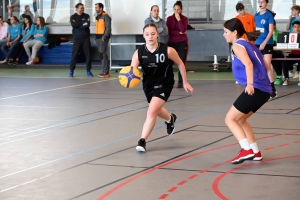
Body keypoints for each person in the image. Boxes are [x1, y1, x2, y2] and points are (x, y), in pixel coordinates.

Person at [133, 23, 194, 152]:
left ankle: (142, 141)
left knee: (151, 112)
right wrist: (129, 79)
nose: (150, 36)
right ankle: (170, 118)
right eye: (147, 34)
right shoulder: (139, 52)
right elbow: (132, 71)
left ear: (157, 35)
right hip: (148, 85)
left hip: (164, 83)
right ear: (143, 36)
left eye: (153, 34)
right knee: (156, 109)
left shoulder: (168, 50)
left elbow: (180, 64)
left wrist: (185, 82)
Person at [223, 18, 272, 164]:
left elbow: (249, 64)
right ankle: (256, 151)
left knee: (230, 119)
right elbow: (265, 64)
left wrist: (250, 83)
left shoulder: (237, 46)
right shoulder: (248, 44)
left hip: (255, 88)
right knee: (241, 119)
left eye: (226, 32)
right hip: (264, 90)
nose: (224, 35)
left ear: (235, 32)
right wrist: (271, 86)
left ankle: (246, 150)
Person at [254, 0, 277, 98]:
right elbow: (256, 29)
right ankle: (261, 86)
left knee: (267, 65)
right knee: (258, 65)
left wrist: (264, 43)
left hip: (267, 43)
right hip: (257, 43)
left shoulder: (269, 15)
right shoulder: (256, 15)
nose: (260, 3)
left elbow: (271, 31)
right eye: (259, 1)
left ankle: (272, 88)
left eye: (262, 1)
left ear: (266, 3)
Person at [166, 1, 188, 88]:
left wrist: (179, 20)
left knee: (181, 61)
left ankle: (181, 81)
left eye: (178, 9)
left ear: (181, 10)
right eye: (175, 9)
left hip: (182, 43)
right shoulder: (169, 19)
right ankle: (169, 80)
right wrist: (179, 33)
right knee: (169, 62)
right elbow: (169, 31)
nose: (176, 11)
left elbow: (183, 29)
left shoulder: (185, 19)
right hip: (172, 42)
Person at [69, 3, 92, 77]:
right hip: (77, 38)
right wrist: (82, 24)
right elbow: (74, 25)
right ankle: (71, 71)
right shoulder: (73, 16)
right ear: (76, 9)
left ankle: (88, 71)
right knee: (74, 54)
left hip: (86, 38)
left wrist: (78, 24)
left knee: (88, 54)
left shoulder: (86, 16)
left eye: (83, 8)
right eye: (81, 8)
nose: (82, 9)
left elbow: (87, 25)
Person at [95, 3, 111, 78]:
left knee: (102, 54)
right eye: (95, 7)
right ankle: (105, 70)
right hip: (98, 37)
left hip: (103, 38)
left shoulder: (106, 16)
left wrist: (104, 37)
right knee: (102, 54)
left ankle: (105, 72)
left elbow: (108, 28)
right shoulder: (97, 16)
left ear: (101, 8)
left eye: (97, 7)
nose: (95, 9)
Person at [281, 21, 300, 86]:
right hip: (293, 55)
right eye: (295, 27)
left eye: (298, 27)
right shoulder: (290, 36)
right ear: (292, 28)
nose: (297, 28)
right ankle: (287, 79)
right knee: (284, 62)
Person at [286, 5, 300, 79]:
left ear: (297, 11)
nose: (292, 12)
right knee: (292, 53)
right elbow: (287, 28)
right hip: (292, 38)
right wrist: (289, 19)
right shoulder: (292, 19)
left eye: (293, 10)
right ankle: (290, 71)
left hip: (299, 37)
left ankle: (298, 72)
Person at [271, 20, 284, 85]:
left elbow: (281, 45)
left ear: (274, 25)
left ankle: (279, 76)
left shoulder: (279, 33)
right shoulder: (265, 33)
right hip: (268, 52)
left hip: (278, 52)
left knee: (274, 56)